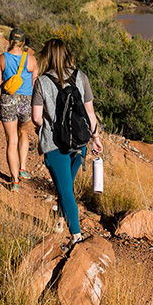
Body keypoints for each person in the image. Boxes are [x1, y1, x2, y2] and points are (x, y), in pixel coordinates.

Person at [31, 38, 103, 243]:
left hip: (54, 143)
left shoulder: (42, 82)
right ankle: (61, 217)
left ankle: (76, 237)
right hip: (79, 142)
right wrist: (95, 137)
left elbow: (36, 117)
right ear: (67, 54)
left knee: (65, 189)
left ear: (47, 56)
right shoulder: (81, 77)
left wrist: (44, 126)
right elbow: (90, 112)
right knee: (67, 186)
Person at [0, 28, 38, 191]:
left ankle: (15, 181)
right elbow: (35, 84)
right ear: (23, 43)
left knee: (11, 140)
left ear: (10, 40)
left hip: (8, 99)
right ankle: (23, 167)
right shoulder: (31, 60)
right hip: (26, 101)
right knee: (23, 132)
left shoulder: (1, 59)